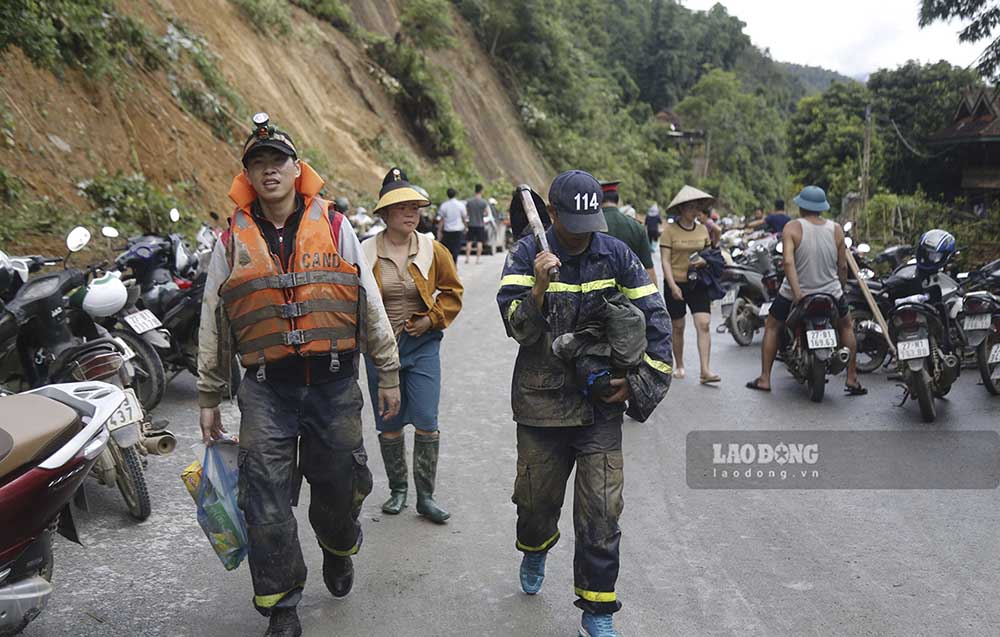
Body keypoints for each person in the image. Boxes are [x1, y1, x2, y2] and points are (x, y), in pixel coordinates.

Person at [196, 113, 402, 637]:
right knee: (263, 498)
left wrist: (389, 370)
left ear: (296, 169)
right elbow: (214, 317)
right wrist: (208, 394)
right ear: (248, 176)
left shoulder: (335, 226)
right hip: (266, 390)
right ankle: (282, 605)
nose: (269, 171)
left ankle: (338, 548)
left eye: (278, 161)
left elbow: (367, 301)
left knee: (339, 487)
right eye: (258, 164)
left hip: (333, 384)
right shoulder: (231, 240)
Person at [497, 170, 673, 637]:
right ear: (551, 214)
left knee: (601, 512)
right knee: (536, 507)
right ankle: (534, 549)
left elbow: (656, 320)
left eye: (587, 221)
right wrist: (537, 288)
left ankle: (597, 611)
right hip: (540, 406)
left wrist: (636, 386)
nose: (579, 233)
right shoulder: (524, 254)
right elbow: (517, 329)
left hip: (599, 407)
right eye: (570, 221)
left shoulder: (616, 253)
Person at [360, 167, 463, 524]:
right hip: (380, 351)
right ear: (385, 213)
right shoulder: (365, 252)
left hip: (422, 348)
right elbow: (354, 299)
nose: (410, 213)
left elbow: (452, 293)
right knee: (389, 422)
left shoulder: (433, 249)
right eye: (401, 207)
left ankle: (426, 497)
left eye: (415, 207)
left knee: (426, 421)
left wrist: (430, 318)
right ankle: (398, 490)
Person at [746, 185, 866, 395]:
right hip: (831, 292)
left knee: (772, 325)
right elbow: (843, 266)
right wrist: (841, 289)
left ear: (801, 207)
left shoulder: (792, 228)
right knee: (846, 326)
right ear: (822, 208)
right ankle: (852, 378)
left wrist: (798, 293)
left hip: (796, 292)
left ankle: (765, 378)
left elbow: (788, 263)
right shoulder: (836, 229)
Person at [660, 185, 720, 384]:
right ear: (681, 210)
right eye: (691, 207)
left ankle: (705, 370)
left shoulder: (703, 229)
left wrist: (704, 261)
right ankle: (680, 365)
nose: (695, 211)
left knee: (703, 324)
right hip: (675, 282)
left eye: (697, 207)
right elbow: (665, 261)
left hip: (698, 282)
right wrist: (672, 285)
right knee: (678, 326)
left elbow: (708, 254)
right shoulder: (669, 232)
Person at [599, 180, 656, 284]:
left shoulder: (590, 227)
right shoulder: (637, 227)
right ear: (617, 199)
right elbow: (648, 269)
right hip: (630, 293)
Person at [436, 187, 465, 262]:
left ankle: (449, 265)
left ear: (447, 194)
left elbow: (441, 220)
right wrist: (466, 227)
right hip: (458, 230)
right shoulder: (460, 205)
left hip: (447, 231)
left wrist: (439, 231)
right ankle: (454, 265)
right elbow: (464, 217)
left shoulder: (444, 205)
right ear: (455, 194)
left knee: (447, 250)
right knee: (456, 249)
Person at [464, 184, 489, 264]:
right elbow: (486, 213)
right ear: (481, 191)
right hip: (480, 225)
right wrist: (481, 214)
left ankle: (467, 258)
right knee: (479, 242)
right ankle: (477, 260)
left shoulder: (469, 201)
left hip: (471, 224)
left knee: (469, 241)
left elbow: (466, 212)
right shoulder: (483, 202)